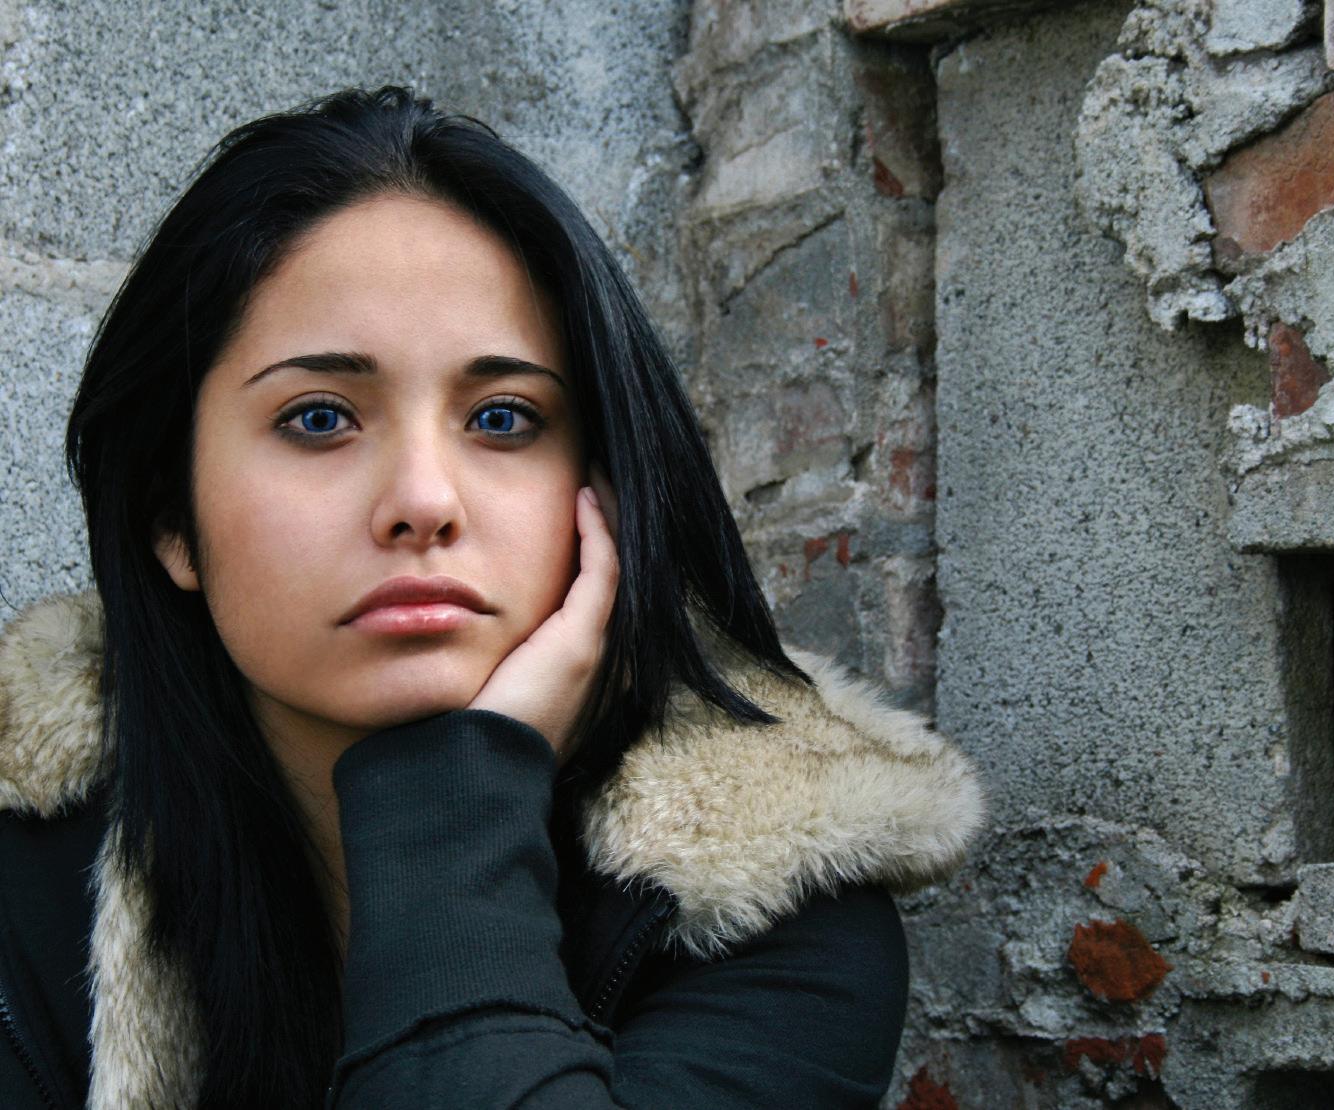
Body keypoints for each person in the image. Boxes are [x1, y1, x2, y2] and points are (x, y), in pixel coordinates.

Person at [0, 86, 984, 1109]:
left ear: (602, 493)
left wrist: (455, 802)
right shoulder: (26, 865)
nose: (423, 503)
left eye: (504, 419)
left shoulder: (774, 905)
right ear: (171, 517)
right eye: (321, 417)